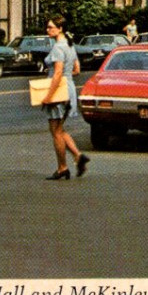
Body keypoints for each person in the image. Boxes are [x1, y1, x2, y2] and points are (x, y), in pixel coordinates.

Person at [41, 14, 89, 180]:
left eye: (51, 27)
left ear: (60, 28)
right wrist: (66, 77)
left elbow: (58, 72)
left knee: (55, 131)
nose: (48, 30)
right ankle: (78, 156)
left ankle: (62, 167)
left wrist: (49, 95)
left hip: (59, 91)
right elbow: (77, 69)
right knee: (60, 129)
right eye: (48, 27)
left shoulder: (58, 48)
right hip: (69, 88)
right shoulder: (69, 45)